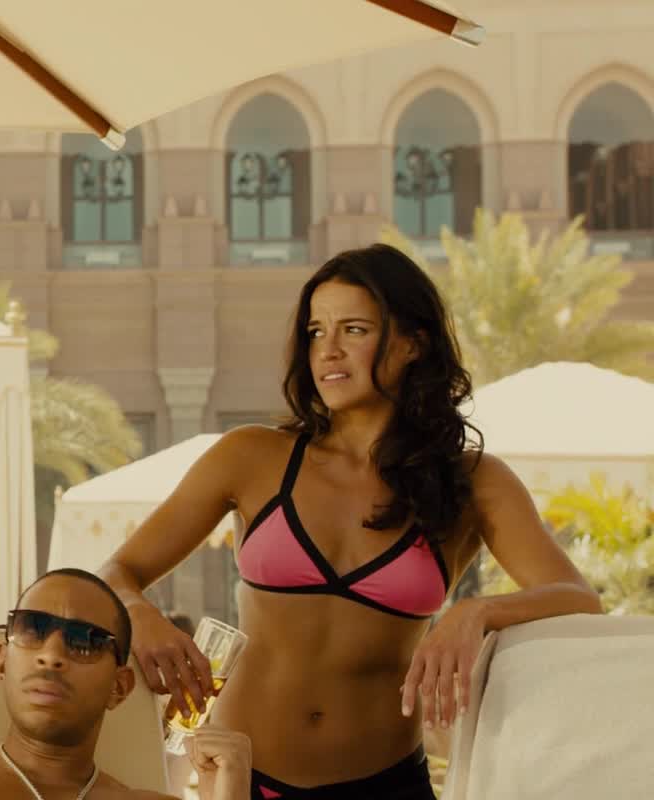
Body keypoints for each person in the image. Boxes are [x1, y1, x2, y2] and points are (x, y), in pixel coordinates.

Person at [97, 244, 601, 799]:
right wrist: (140, 613)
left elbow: (577, 598)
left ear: (413, 343)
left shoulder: (472, 482)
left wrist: (475, 612)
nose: (328, 351)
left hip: (386, 785)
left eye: (354, 330)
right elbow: (117, 571)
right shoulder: (252, 457)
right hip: (244, 779)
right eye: (316, 331)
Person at [0, 568, 251, 800]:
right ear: (2, 661)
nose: (52, 655)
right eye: (32, 629)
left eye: (85, 641)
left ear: (120, 687)